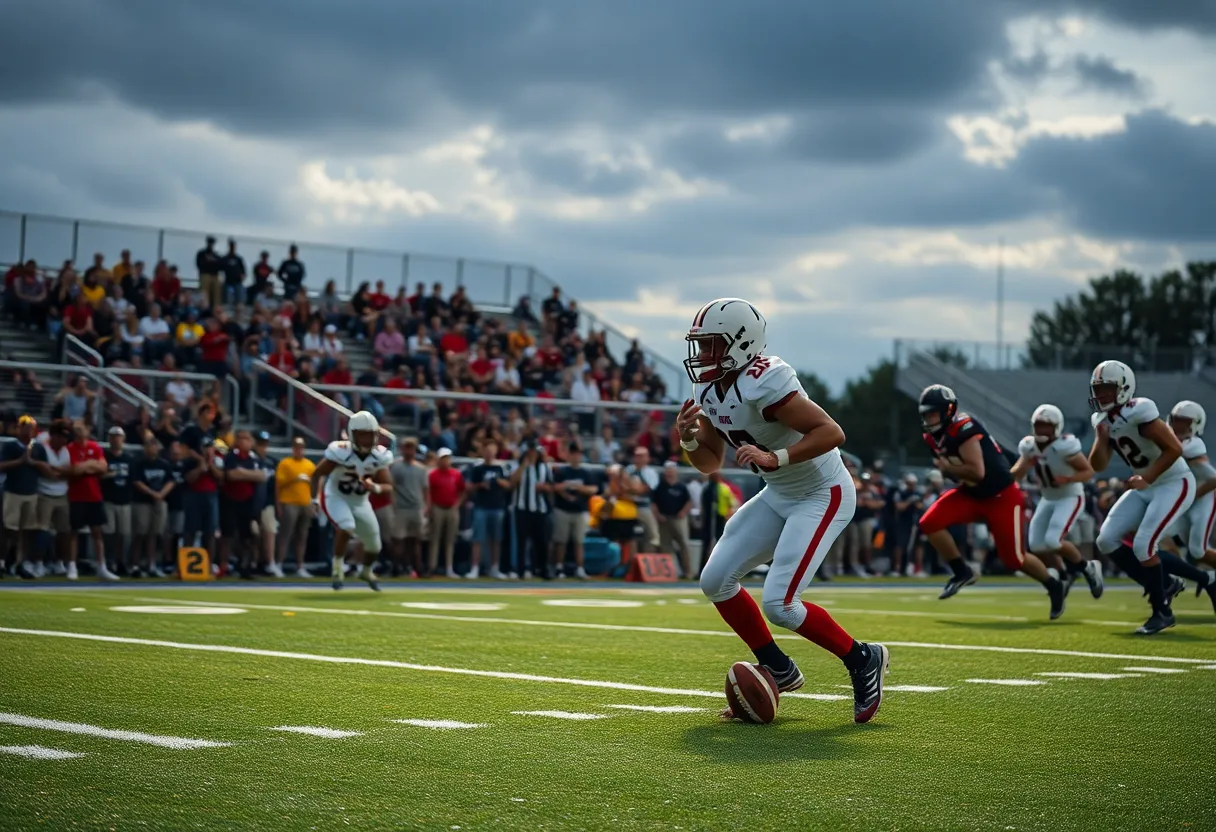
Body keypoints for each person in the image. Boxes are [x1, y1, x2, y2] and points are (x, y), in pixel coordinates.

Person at [678, 297, 887, 724]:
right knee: (715, 579)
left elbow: (832, 431)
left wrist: (777, 458)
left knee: (781, 603)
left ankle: (862, 658)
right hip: (778, 493)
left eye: (712, 345)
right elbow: (710, 462)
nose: (703, 356)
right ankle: (775, 664)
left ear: (739, 343)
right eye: (701, 345)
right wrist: (686, 440)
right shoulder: (708, 388)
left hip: (819, 492)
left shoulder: (765, 380)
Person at [916, 384, 1067, 618]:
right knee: (929, 522)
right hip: (971, 493)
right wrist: (951, 470)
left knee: (1013, 559)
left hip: (1000, 496)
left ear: (948, 411)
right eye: (926, 414)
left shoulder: (963, 427)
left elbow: (977, 472)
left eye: (933, 413)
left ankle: (1053, 584)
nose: (929, 419)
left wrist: (949, 469)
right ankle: (961, 571)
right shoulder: (932, 436)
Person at [1088, 362, 1196, 634]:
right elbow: (1098, 466)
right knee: (1105, 539)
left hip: (1173, 481)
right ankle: (1164, 585)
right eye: (1098, 390)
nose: (1101, 395)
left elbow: (1174, 449)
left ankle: (1162, 612)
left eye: (1107, 389)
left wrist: (1147, 476)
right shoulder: (1101, 421)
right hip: (1145, 485)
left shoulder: (1140, 410)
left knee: (1143, 544)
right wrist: (1101, 440)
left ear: (1124, 388)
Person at [1011, 404, 1103, 596]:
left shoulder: (1064, 446)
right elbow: (1016, 474)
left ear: (1057, 427)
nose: (1042, 430)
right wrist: (1019, 471)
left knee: (1053, 541)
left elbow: (1088, 471)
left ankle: (1087, 568)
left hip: (1070, 496)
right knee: (1036, 545)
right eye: (1039, 425)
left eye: (1047, 426)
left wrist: (1068, 478)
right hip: (1048, 498)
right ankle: (1063, 574)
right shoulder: (1029, 447)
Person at [310, 411, 392, 591]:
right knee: (347, 526)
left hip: (361, 501)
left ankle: (366, 571)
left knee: (374, 545)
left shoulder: (380, 456)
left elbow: (388, 486)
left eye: (370, 435)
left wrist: (375, 487)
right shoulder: (340, 451)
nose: (367, 440)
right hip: (336, 496)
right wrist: (314, 499)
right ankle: (337, 569)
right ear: (353, 434)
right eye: (362, 435)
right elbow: (317, 474)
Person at [1161, 402, 1216, 611]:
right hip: (1183, 501)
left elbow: (1213, 479)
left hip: (1202, 501)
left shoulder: (1193, 446)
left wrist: (1193, 495)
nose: (1179, 426)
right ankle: (1175, 576)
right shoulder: (1168, 440)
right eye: (1177, 421)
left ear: (1195, 425)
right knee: (1156, 537)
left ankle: (1196, 576)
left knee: (1198, 550)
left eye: (1185, 422)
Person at [67, 421, 116, 581]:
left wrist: (86, 467)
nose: (79, 432)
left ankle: (102, 567)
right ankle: (72, 566)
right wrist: (91, 464)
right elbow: (74, 469)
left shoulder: (95, 447)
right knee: (74, 532)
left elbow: (103, 467)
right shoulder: (71, 448)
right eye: (77, 430)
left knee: (97, 532)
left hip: (94, 495)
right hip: (76, 495)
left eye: (81, 429)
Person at [0, 416, 40, 578]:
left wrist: (33, 463)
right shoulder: (11, 447)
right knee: (8, 530)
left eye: (31, 427)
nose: (28, 430)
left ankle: (18, 563)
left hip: (30, 493)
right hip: (13, 492)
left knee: (25, 532)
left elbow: (45, 467)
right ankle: (2, 562)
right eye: (25, 427)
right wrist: (21, 461)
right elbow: (2, 466)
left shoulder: (37, 448)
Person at [550, 442, 597, 580]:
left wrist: (580, 489)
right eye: (574, 453)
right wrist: (566, 488)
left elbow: (593, 489)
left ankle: (580, 568)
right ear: (569, 455)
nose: (577, 457)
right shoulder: (562, 471)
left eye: (579, 454)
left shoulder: (585, 473)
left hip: (580, 510)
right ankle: (559, 567)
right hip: (563, 509)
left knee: (579, 541)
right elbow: (554, 488)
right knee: (561, 541)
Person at [466, 440, 512, 580]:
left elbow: (509, 485)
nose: (489, 453)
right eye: (487, 450)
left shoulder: (501, 468)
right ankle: (475, 568)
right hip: (481, 506)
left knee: (496, 539)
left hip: (497, 506)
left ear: (496, 452)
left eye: (492, 450)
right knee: (478, 539)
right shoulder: (477, 468)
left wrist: (500, 482)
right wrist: (480, 485)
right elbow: (469, 487)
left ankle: (495, 568)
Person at [131, 433, 174, 578]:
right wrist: (152, 493)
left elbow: (171, 481)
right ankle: (135, 564)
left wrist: (161, 494)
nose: (152, 448)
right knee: (140, 533)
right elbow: (137, 482)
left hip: (159, 501)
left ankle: (152, 564)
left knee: (154, 534)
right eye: (149, 445)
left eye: (154, 445)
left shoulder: (164, 464)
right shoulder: (139, 463)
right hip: (142, 501)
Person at [510, 440, 552, 580]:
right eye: (530, 451)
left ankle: (542, 569)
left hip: (539, 509)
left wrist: (544, 488)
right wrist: (523, 465)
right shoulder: (518, 465)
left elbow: (551, 486)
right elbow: (512, 482)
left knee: (541, 541)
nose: (532, 454)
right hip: (522, 508)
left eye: (534, 451)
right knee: (521, 541)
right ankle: (520, 570)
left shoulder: (544, 467)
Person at [275, 437, 316, 577]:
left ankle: (300, 566)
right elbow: (278, 485)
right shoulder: (285, 463)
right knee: (285, 534)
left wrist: (314, 502)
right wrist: (278, 505)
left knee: (302, 536)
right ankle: (278, 564)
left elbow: (316, 484)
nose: (299, 450)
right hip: (289, 502)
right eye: (297, 447)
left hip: (305, 503)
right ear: (293, 448)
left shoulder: (309, 465)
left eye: (302, 447)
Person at [389, 438, 429, 578]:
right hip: (401, 507)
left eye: (411, 448)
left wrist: (426, 506)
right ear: (402, 449)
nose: (409, 451)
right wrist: (393, 503)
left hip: (416, 507)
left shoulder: (421, 469)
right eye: (407, 448)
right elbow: (391, 486)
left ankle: (417, 568)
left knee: (415, 540)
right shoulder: (395, 467)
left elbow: (425, 489)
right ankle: (396, 567)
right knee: (398, 539)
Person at [101, 426, 136, 576]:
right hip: (109, 499)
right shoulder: (103, 457)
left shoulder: (129, 459)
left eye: (118, 436)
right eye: (113, 436)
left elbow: (134, 480)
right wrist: (107, 475)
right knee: (109, 533)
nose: (116, 439)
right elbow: (98, 476)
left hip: (124, 500)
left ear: (123, 439)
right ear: (109, 439)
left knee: (124, 534)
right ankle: (109, 560)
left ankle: (121, 561)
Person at [652, 461, 693, 578]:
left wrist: (683, 512)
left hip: (678, 518)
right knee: (665, 546)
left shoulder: (681, 487)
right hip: (664, 519)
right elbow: (654, 503)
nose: (669, 473)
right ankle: (668, 572)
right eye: (667, 470)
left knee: (683, 545)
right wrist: (658, 515)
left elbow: (689, 501)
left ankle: (687, 572)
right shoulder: (660, 487)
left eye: (671, 470)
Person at [428, 448, 464, 578]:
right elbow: (428, 492)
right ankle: (432, 567)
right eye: (443, 458)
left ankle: (449, 568)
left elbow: (462, 491)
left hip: (452, 508)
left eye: (448, 458)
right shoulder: (433, 475)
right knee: (435, 539)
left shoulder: (456, 474)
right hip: (437, 507)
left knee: (450, 539)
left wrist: (458, 504)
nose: (446, 460)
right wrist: (430, 507)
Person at [624, 446, 661, 552]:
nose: (639, 459)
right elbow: (622, 486)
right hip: (628, 505)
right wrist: (632, 487)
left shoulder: (651, 473)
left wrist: (630, 487)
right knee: (629, 535)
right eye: (637, 456)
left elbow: (643, 490)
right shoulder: (628, 470)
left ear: (647, 458)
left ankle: (647, 559)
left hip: (643, 506)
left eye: (642, 456)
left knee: (653, 535)